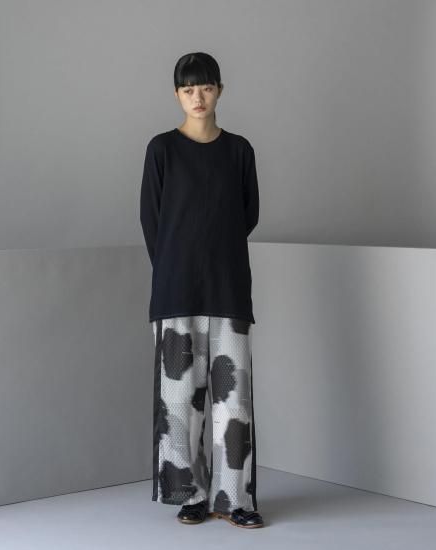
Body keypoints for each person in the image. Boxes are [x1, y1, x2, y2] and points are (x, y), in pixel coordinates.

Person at [140, 52, 263, 529]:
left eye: (206, 88)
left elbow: (247, 214)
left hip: (228, 289)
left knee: (235, 404)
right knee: (178, 402)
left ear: (219, 91)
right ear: (177, 94)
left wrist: (215, 253)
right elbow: (152, 221)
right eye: (189, 89)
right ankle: (189, 494)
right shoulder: (161, 150)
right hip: (176, 292)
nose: (198, 97)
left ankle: (234, 499)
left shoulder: (239, 151)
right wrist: (178, 263)